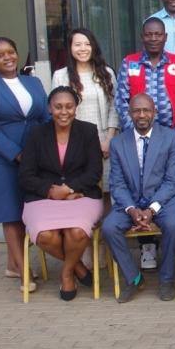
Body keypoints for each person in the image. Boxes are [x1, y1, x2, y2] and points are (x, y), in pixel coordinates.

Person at [0, 37, 50, 292]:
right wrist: (15, 153)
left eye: (11, 52)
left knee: (27, 212)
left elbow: (45, 116)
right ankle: (23, 271)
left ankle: (12, 264)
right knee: (10, 215)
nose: (7, 57)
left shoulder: (33, 82)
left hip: (32, 157)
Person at [115, 16, 175, 269]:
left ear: (165, 37)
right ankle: (147, 246)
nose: (153, 38)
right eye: (148, 34)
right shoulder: (129, 64)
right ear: (142, 37)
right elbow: (121, 100)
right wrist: (134, 136)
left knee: (174, 189)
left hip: (171, 140)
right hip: (137, 139)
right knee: (140, 189)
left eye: (157, 34)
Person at [19, 86, 104, 301]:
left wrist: (68, 189)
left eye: (69, 106)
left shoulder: (88, 131)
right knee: (46, 235)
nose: (63, 111)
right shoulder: (36, 134)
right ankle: (78, 267)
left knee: (77, 232)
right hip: (42, 198)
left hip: (81, 196)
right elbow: (26, 175)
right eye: (58, 107)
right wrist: (50, 191)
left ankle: (67, 273)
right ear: (49, 108)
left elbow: (95, 171)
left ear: (76, 108)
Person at [103, 94, 175, 302]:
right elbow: (117, 183)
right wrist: (131, 209)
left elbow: (172, 180)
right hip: (129, 202)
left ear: (154, 113)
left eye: (146, 110)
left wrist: (151, 210)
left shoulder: (170, 138)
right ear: (129, 114)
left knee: (174, 224)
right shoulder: (118, 143)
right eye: (137, 111)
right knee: (109, 227)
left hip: (162, 201)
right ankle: (134, 278)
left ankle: (166, 280)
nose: (141, 115)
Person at [52, 29, 119, 269]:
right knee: (83, 195)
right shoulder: (61, 75)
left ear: (94, 46)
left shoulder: (106, 73)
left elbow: (115, 107)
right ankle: (83, 250)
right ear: (70, 48)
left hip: (104, 142)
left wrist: (110, 138)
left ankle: (107, 251)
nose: (83, 48)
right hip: (75, 143)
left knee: (107, 195)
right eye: (77, 44)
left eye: (87, 44)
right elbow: (58, 111)